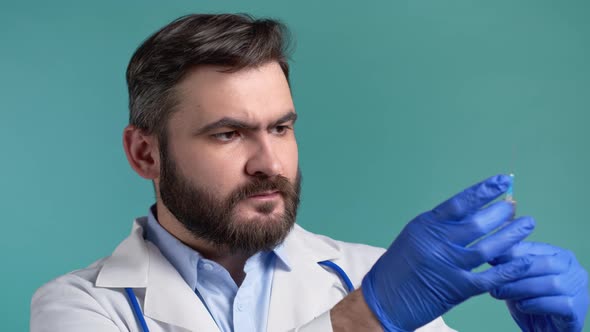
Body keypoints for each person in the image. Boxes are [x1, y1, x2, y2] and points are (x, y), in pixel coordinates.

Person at [30, 13, 588, 332]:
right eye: (228, 133)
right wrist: (366, 318)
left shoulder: (372, 274)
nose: (269, 163)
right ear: (145, 154)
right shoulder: (80, 306)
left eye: (280, 128)